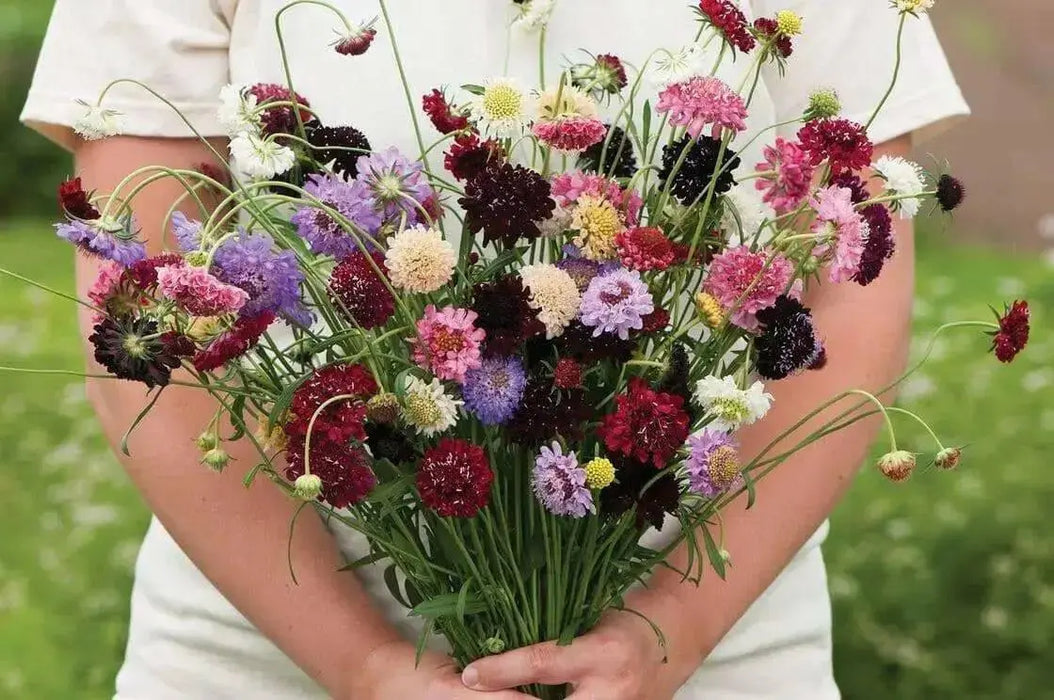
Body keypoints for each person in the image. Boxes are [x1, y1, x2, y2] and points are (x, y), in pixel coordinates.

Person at [21, 1, 968, 698]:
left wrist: (669, 632)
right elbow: (146, 317)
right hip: (269, 657)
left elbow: (853, 297)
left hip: (712, 660)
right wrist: (364, 667)